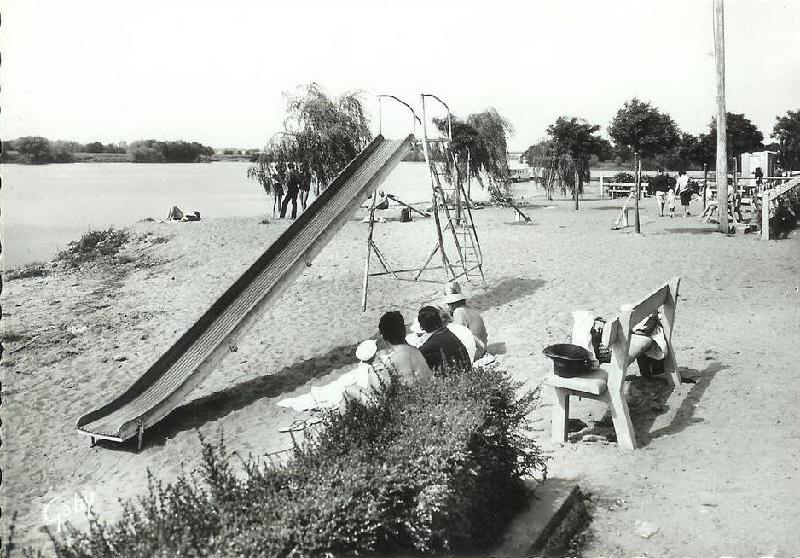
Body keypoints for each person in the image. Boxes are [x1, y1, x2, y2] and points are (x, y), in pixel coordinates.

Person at [377, 311, 432, 386]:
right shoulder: (415, 351)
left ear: (383, 337)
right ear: (404, 330)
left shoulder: (392, 363)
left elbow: (385, 392)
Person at [417, 305, 471, 373]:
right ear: (439, 320)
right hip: (467, 373)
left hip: (454, 380)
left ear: (422, 327)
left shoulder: (430, 345)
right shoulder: (448, 333)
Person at [444, 282, 488, 359]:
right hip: (482, 345)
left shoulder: (459, 312)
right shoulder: (468, 308)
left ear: (452, 304)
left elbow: (459, 336)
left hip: (477, 350)